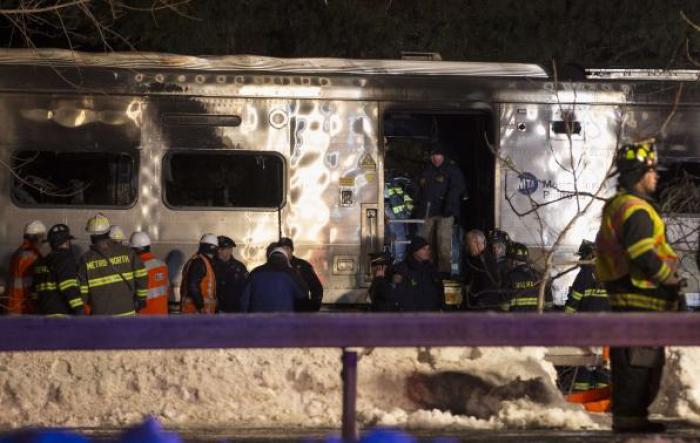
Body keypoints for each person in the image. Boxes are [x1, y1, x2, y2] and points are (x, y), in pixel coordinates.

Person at [595, 140, 681, 433]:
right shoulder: (636, 209)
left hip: (635, 302)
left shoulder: (621, 206)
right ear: (638, 174)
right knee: (639, 362)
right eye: (652, 170)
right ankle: (631, 420)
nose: (656, 176)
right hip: (640, 299)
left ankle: (632, 417)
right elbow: (643, 252)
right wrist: (668, 279)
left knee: (636, 361)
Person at [78, 213, 148, 316]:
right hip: (127, 314)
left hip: (102, 317)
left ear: (92, 237)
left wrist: (85, 307)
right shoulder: (128, 253)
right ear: (108, 233)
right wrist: (141, 298)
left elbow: (82, 290)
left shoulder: (85, 260)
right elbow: (141, 275)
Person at [416, 144, 466, 276]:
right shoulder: (425, 169)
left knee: (443, 242)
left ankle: (444, 273)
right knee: (426, 244)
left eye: (438, 154)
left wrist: (450, 205)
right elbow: (419, 190)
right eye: (433, 155)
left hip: (445, 213)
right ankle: (427, 271)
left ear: (443, 155)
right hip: (428, 212)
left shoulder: (452, 169)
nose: (435, 158)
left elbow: (457, 188)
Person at [32, 224, 84, 316]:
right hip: (61, 315)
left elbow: (34, 292)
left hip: (43, 315)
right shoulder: (65, 259)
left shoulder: (40, 261)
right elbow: (68, 286)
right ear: (66, 242)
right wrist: (79, 309)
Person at [240, 246, 310, 312]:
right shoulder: (291, 273)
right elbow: (302, 295)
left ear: (269, 257)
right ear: (285, 258)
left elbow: (244, 298)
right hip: (283, 319)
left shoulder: (255, 272)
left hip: (258, 319)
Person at [5, 220, 46, 315]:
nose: (43, 242)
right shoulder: (32, 257)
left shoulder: (18, 253)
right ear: (38, 238)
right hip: (24, 308)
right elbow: (31, 287)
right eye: (42, 238)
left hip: (12, 305)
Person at [392, 237, 444, 311]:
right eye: (423, 249)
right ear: (414, 251)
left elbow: (439, 291)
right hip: (410, 316)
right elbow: (397, 294)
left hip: (431, 315)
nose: (427, 251)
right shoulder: (402, 268)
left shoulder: (432, 269)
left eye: (428, 249)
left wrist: (441, 307)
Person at [502, 242, 552, 312]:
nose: (507, 263)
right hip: (536, 320)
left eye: (508, 260)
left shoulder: (509, 278)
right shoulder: (539, 276)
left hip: (516, 321)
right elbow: (549, 304)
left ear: (513, 261)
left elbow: (504, 307)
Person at [278, 237, 323, 311]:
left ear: (291, 250)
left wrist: (313, 308)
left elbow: (316, 288)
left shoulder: (303, 266)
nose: (285, 252)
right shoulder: (276, 266)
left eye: (287, 248)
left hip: (299, 310)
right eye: (282, 249)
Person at [129, 231, 169, 315]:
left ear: (135, 249)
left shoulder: (137, 268)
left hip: (145, 316)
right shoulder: (162, 265)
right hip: (162, 313)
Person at [461, 229, 502, 310]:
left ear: (475, 242)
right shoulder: (477, 260)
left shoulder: (485, 262)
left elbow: (489, 288)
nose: (467, 246)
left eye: (468, 243)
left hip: (483, 310)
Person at [565, 240, 609, 314]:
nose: (581, 259)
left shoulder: (585, 273)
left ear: (591, 255)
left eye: (583, 256)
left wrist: (567, 317)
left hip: (588, 320)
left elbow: (574, 300)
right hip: (610, 320)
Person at [180, 233, 218, 314]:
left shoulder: (197, 260)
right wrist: (200, 305)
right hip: (196, 312)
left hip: (195, 312)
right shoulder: (200, 262)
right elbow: (193, 285)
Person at [384, 172, 416, 263]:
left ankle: (393, 256)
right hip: (393, 210)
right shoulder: (402, 183)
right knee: (399, 234)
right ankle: (399, 259)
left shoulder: (390, 183)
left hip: (388, 208)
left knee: (394, 233)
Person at [213, 235, 249, 313]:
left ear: (230, 250)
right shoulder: (210, 265)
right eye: (217, 249)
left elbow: (245, 290)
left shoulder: (239, 267)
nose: (219, 251)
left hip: (233, 309)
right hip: (214, 310)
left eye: (222, 249)